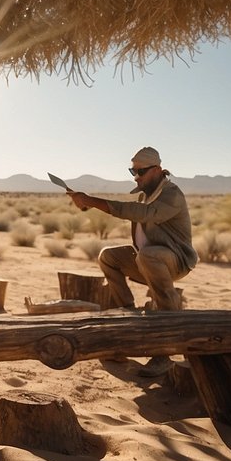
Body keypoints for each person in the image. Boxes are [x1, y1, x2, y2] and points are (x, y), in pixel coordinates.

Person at [67, 146, 197, 376]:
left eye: (140, 171)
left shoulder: (172, 194)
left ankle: (163, 354)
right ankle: (128, 314)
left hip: (173, 260)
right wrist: (86, 202)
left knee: (149, 258)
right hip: (148, 259)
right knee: (108, 256)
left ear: (157, 169)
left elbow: (142, 214)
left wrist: (93, 200)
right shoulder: (143, 194)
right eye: (132, 171)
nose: (136, 176)